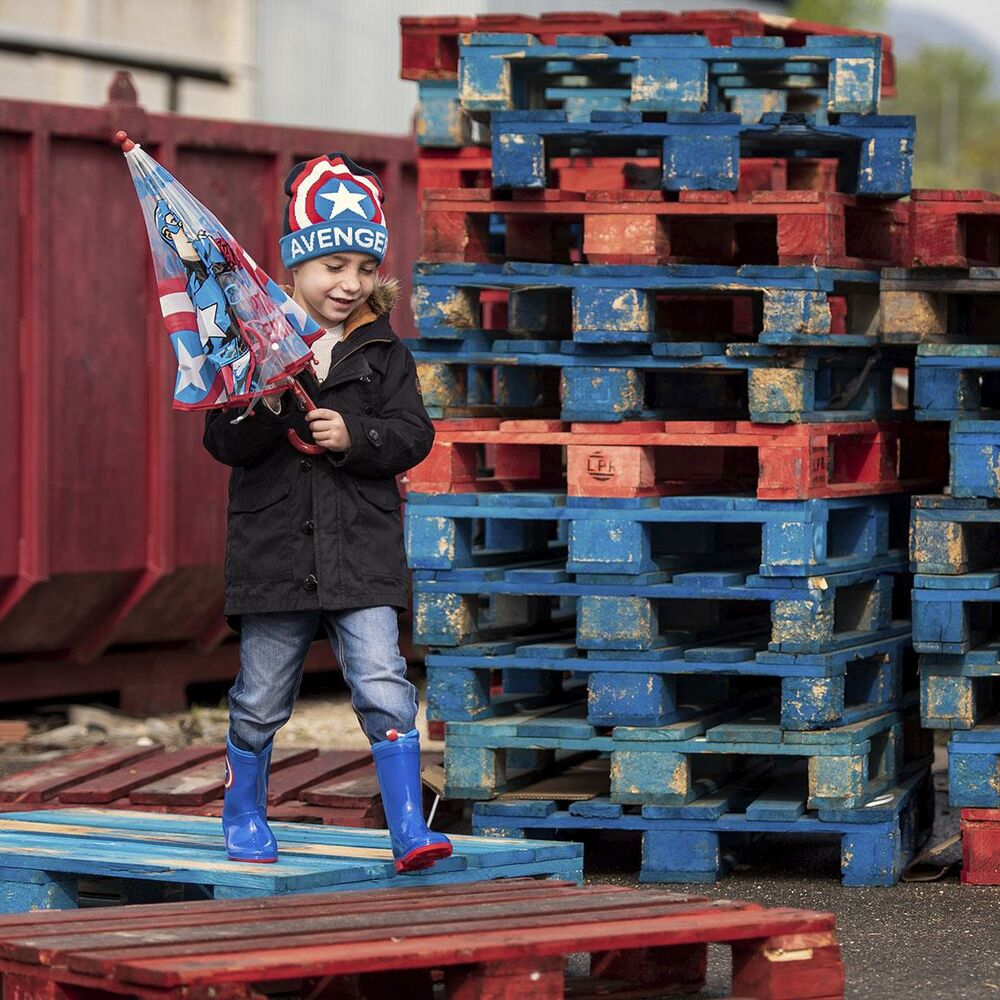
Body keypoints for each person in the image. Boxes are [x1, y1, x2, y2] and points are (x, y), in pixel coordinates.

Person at [203, 151, 451, 873]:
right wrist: (273, 400)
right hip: (275, 553)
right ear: (294, 268)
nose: (349, 284)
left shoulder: (382, 353)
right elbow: (223, 439)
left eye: (365, 269)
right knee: (260, 695)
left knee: (383, 682)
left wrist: (357, 435)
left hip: (361, 554)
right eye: (332, 266)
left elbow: (413, 435)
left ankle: (408, 826)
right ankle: (243, 809)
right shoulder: (253, 347)